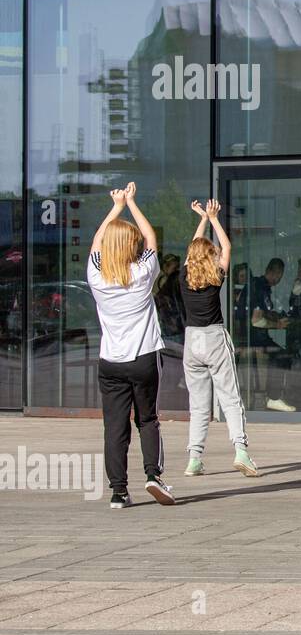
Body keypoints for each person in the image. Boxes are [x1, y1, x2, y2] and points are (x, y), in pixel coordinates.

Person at [87, 182, 174, 509]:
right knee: (148, 419)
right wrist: (134, 203)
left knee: (114, 426)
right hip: (144, 357)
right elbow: (151, 239)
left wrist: (116, 206)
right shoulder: (142, 271)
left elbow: (98, 241)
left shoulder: (96, 276)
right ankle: (153, 475)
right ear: (130, 247)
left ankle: (119, 492)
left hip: (110, 361)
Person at [180, 198, 259, 478]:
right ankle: (241, 451)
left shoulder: (184, 277)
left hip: (192, 341)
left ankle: (194, 458)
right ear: (210, 258)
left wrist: (201, 220)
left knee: (198, 404)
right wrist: (213, 217)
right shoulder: (216, 277)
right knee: (229, 396)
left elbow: (193, 251)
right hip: (214, 337)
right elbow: (227, 247)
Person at [249, 257, 295, 412]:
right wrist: (277, 325)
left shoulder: (258, 284)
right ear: (277, 273)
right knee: (283, 356)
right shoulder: (261, 288)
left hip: (252, 336)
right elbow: (255, 321)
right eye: (280, 275)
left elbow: (263, 312)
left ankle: (271, 397)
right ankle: (273, 398)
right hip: (253, 338)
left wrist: (274, 316)